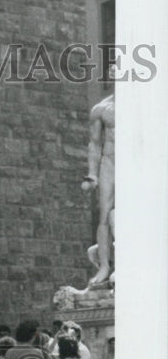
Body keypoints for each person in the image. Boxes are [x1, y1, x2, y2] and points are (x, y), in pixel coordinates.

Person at [82, 90, 114, 286]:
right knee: (104, 215)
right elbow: (94, 144)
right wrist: (92, 173)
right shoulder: (101, 109)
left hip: (136, 162)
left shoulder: (145, 106)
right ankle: (104, 266)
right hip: (109, 163)